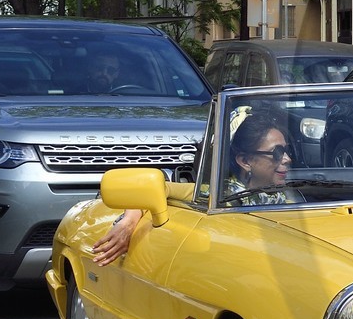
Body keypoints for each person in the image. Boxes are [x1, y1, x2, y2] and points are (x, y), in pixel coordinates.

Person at [94, 108, 295, 265]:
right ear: (245, 160)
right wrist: (129, 221)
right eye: (277, 153)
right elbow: (155, 189)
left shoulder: (280, 195)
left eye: (286, 150)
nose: (287, 159)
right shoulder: (220, 194)